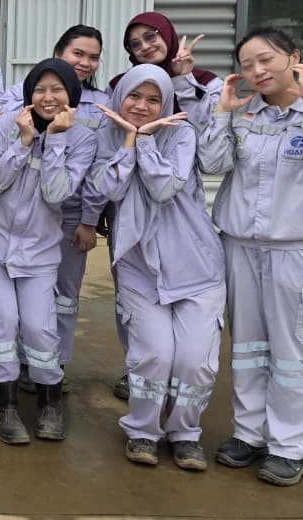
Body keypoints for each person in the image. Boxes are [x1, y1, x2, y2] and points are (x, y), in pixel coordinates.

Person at [198, 27, 303, 487]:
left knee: (295, 353)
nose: (257, 71)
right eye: (247, 65)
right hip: (241, 247)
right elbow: (212, 164)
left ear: (294, 57)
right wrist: (223, 113)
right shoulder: (244, 113)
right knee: (248, 348)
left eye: (266, 59)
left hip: (298, 250)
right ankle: (250, 434)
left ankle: (291, 447)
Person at [88, 64, 225, 470]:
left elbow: (164, 188)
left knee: (194, 361)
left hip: (196, 266)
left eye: (153, 99)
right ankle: (143, 431)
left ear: (166, 103)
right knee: (153, 356)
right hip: (139, 265)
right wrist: (128, 143)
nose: (142, 106)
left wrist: (145, 141)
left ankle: (185, 434)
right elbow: (107, 188)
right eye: (134, 96)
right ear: (120, 97)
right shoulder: (105, 135)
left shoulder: (181, 134)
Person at [0, 59, 96, 445]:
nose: (48, 97)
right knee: (2, 325)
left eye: (57, 90)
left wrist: (56, 140)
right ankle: (4, 406)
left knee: (40, 328)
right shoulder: (6, 125)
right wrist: (24, 142)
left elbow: (56, 194)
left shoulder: (82, 139)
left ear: (71, 94)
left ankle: (49, 403)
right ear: (29, 93)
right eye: (40, 89)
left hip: (40, 253)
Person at [107, 11, 221, 401]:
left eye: (151, 36)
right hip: (129, 213)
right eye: (135, 43)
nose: (145, 46)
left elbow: (209, 148)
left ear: (168, 35)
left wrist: (184, 83)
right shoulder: (120, 87)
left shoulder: (204, 82)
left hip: (179, 211)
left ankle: (175, 378)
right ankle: (138, 369)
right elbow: (107, 150)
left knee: (186, 309)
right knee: (135, 303)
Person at [0, 26, 109, 392]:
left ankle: (53, 369)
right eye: (78, 53)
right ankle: (19, 371)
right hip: (20, 211)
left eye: (93, 57)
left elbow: (96, 171)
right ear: (59, 53)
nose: (85, 62)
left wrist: (89, 219)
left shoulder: (100, 106)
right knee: (13, 305)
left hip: (68, 213)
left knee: (61, 300)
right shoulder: (19, 99)